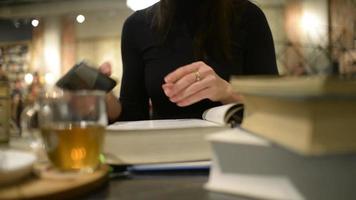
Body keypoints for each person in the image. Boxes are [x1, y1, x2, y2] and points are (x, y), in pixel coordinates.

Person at [103, 0, 278, 123]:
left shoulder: (248, 17)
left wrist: (227, 92)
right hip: (163, 154)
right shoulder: (136, 26)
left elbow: (277, 108)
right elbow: (133, 116)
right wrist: (104, 100)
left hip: (237, 150)